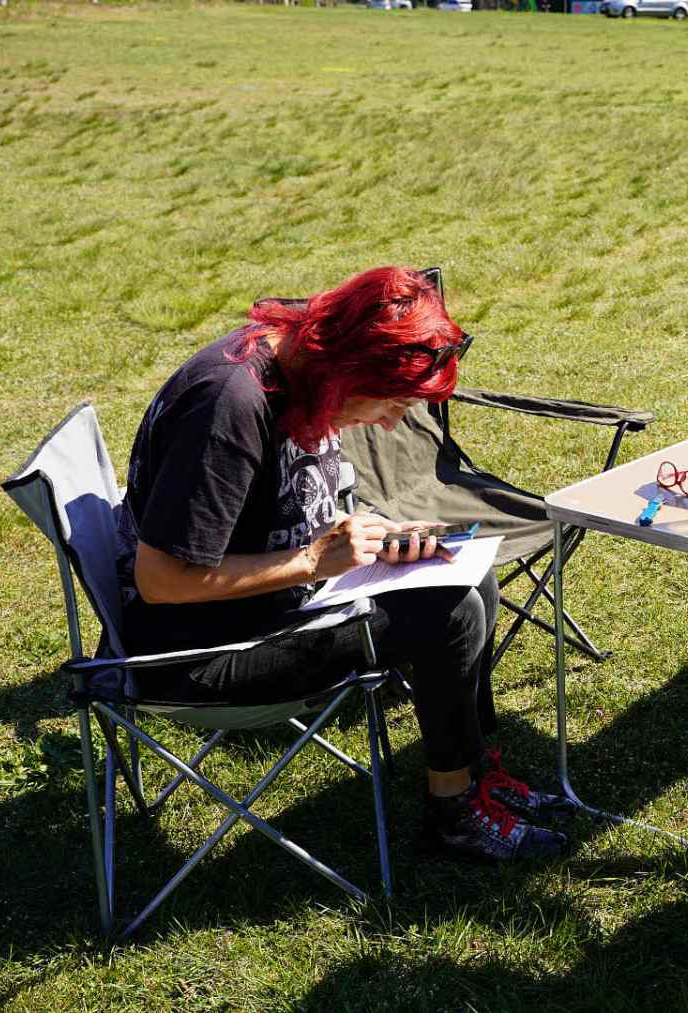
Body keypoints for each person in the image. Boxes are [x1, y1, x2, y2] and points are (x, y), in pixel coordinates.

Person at [112, 265, 571, 864]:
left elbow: (283, 510)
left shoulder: (301, 365)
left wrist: (367, 536)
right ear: (347, 368)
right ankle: (453, 816)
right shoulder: (229, 407)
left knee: (470, 575)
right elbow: (161, 581)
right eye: (389, 404)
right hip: (202, 654)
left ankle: (475, 774)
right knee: (451, 612)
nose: (390, 423)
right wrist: (312, 560)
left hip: (277, 605)